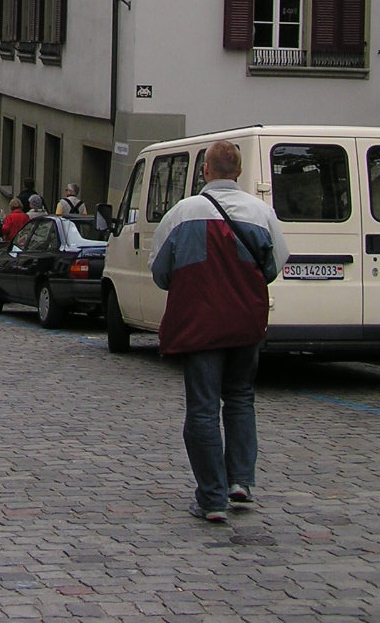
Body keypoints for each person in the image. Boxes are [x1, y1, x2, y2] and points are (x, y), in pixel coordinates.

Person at [149, 138, 289, 523]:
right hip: (245, 323)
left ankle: (211, 497)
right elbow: (274, 266)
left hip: (200, 325)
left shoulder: (182, 213)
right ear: (239, 172)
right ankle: (240, 480)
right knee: (241, 398)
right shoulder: (261, 213)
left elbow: (160, 272)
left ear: (205, 170)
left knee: (203, 408)